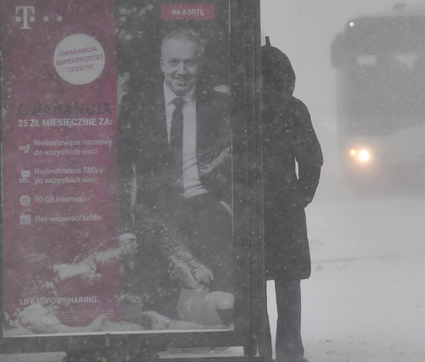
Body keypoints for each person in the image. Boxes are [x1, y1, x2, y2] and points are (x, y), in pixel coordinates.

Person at [116, 26, 235, 323]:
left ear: (200, 63)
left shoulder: (219, 107)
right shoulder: (137, 106)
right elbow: (121, 167)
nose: (182, 71)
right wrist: (126, 223)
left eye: (190, 62)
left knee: (220, 306)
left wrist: (226, 205)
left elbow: (235, 161)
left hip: (205, 208)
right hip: (155, 213)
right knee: (157, 307)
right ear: (161, 64)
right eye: (174, 62)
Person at [259, 38, 323, 362]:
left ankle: (258, 348)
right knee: (288, 283)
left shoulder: (240, 106)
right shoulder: (293, 109)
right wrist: (300, 196)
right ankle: (289, 350)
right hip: (285, 208)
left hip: (248, 208)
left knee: (252, 283)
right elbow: (311, 159)